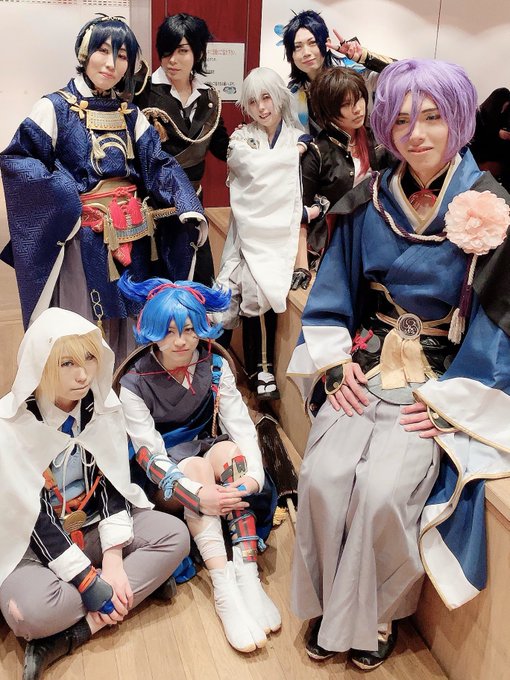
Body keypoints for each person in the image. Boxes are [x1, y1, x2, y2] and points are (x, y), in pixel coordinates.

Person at [287, 59, 510, 670]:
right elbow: (333, 290)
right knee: (323, 475)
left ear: (458, 119)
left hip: (442, 377)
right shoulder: (370, 200)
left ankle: (377, 614)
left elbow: (497, 323)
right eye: (403, 119)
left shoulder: (493, 209)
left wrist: (453, 406)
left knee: (385, 491)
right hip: (368, 362)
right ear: (385, 125)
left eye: (433, 117)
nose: (417, 134)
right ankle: (329, 604)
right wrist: (334, 363)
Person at [0, 15, 206, 361]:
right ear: (84, 53)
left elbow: (157, 162)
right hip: (83, 237)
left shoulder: (130, 113)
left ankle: (127, 387)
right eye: (103, 50)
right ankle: (82, 390)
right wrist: (66, 197)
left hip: (133, 233)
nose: (111, 64)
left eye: (122, 55)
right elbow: (18, 160)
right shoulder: (54, 108)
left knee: (131, 317)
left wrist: (186, 203)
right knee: (82, 320)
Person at [0, 307, 190, 679]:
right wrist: (87, 582)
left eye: (89, 357)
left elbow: (113, 480)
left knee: (175, 536)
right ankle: (134, 589)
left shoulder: (102, 407)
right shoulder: (10, 425)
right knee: (26, 613)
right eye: (67, 363)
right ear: (41, 364)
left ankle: (73, 633)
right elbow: (30, 516)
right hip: (32, 542)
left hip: (94, 526)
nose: (84, 374)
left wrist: (114, 561)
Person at [117, 274, 281, 654]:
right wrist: (197, 494)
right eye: (170, 331)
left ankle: (247, 573)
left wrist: (253, 478)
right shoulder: (134, 383)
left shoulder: (215, 363)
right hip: (167, 472)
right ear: (152, 330)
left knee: (232, 456)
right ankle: (224, 588)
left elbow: (241, 426)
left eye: (189, 329)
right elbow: (150, 456)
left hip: (209, 446)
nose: (181, 341)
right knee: (196, 469)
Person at [217, 67, 310, 398]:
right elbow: (249, 174)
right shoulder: (242, 139)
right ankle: (228, 366)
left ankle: (263, 369)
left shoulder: (298, 137)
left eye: (266, 98)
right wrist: (290, 157)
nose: (261, 108)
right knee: (236, 291)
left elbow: (293, 188)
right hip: (248, 231)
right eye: (253, 101)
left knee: (264, 290)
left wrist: (284, 160)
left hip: (284, 234)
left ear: (279, 97)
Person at [135, 13, 230, 286]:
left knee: (199, 282)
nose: (172, 60)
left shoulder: (209, 97)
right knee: (159, 287)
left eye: (182, 51)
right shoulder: (143, 93)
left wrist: (256, 142)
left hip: (194, 207)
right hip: (154, 207)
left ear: (198, 53)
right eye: (166, 52)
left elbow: (222, 148)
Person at [297, 66, 389, 267]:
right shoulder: (317, 152)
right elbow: (300, 214)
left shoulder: (378, 141)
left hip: (376, 236)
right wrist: (301, 266)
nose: (357, 109)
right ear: (328, 109)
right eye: (346, 104)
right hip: (334, 243)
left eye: (359, 99)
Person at [282, 9, 393, 134]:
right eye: (297, 47)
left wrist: (365, 57)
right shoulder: (293, 94)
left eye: (312, 43)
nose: (306, 53)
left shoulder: (353, 73)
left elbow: (402, 74)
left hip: (365, 143)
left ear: (327, 43)